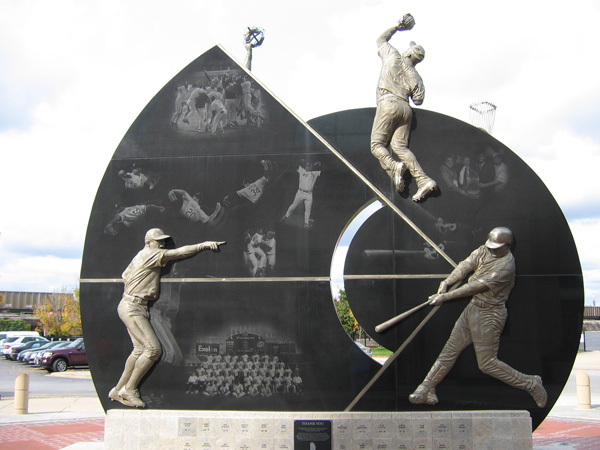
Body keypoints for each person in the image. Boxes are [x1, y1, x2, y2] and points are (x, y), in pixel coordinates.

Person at [408, 227, 547, 408]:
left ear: (508, 245)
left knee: (487, 364)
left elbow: (474, 287)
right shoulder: (484, 250)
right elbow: (465, 265)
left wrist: (444, 297)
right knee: (449, 350)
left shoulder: (506, 266)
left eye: (496, 247)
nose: (491, 249)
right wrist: (446, 283)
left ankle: (531, 383)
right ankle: (427, 387)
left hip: (490, 314)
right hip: (473, 309)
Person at [108, 228, 225, 408]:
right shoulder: (149, 254)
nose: (162, 244)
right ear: (149, 243)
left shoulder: (141, 256)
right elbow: (179, 253)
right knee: (153, 349)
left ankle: (117, 390)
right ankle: (129, 389)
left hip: (134, 305)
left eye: (163, 241)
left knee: (139, 351)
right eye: (158, 241)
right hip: (133, 307)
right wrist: (203, 245)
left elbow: (125, 276)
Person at [370, 13, 437, 202]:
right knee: (400, 146)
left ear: (408, 53)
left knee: (376, 145)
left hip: (388, 102)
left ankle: (393, 167)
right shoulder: (416, 76)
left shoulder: (393, 55)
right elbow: (419, 100)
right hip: (405, 109)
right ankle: (423, 180)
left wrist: (398, 27)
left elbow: (380, 39)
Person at [281, 160, 321, 228]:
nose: (308, 167)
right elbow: (295, 164)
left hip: (309, 194)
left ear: (311, 167)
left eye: (309, 166)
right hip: (300, 192)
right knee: (293, 206)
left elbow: (325, 171)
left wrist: (317, 164)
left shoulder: (315, 173)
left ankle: (306, 223)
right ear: (305, 166)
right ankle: (286, 217)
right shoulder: (302, 170)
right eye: (307, 165)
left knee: (308, 209)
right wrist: (301, 161)